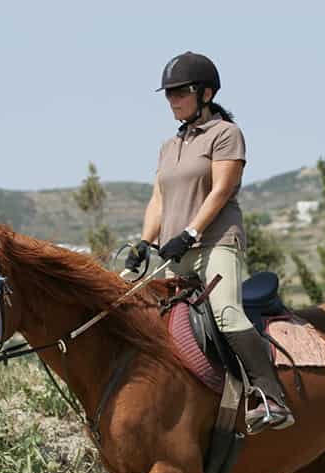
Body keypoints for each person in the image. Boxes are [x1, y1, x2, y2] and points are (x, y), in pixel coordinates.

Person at [125, 51, 294, 433]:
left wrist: (190, 232)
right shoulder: (169, 146)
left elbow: (221, 191)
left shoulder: (226, 135)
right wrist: (143, 243)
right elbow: (158, 200)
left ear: (206, 93)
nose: (172, 100)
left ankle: (270, 397)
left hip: (215, 244)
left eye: (180, 92)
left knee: (226, 313)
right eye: (168, 94)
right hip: (174, 251)